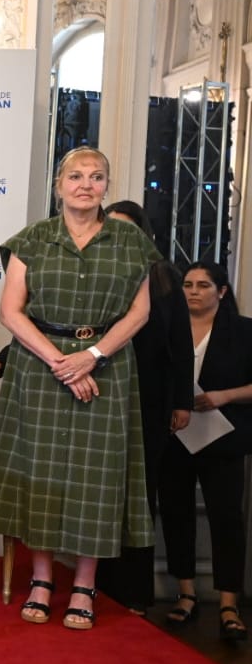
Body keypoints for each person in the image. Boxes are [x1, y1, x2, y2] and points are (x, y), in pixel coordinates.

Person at [0, 146, 157, 631]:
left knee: (95, 478)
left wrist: (91, 357)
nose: (85, 185)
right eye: (75, 176)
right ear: (59, 185)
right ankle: (41, 579)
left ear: (106, 186)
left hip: (108, 367)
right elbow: (11, 312)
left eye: (96, 177)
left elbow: (139, 312)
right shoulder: (33, 239)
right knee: (42, 473)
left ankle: (84, 585)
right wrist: (62, 363)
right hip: (40, 367)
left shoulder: (131, 241)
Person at [95, 201, 193, 614]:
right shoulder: (95, 271)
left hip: (150, 401)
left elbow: (181, 345)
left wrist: (182, 402)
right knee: (101, 493)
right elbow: (61, 331)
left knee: (140, 493)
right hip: (100, 396)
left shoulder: (163, 276)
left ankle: (135, 593)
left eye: (127, 228)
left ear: (144, 233)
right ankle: (97, 586)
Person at [158, 262, 251, 642]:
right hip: (174, 437)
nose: (193, 291)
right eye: (187, 284)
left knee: (226, 518)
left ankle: (229, 604)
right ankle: (186, 593)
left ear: (222, 291)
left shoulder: (244, 331)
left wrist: (224, 396)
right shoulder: (166, 327)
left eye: (203, 285)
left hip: (223, 437)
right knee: (176, 514)